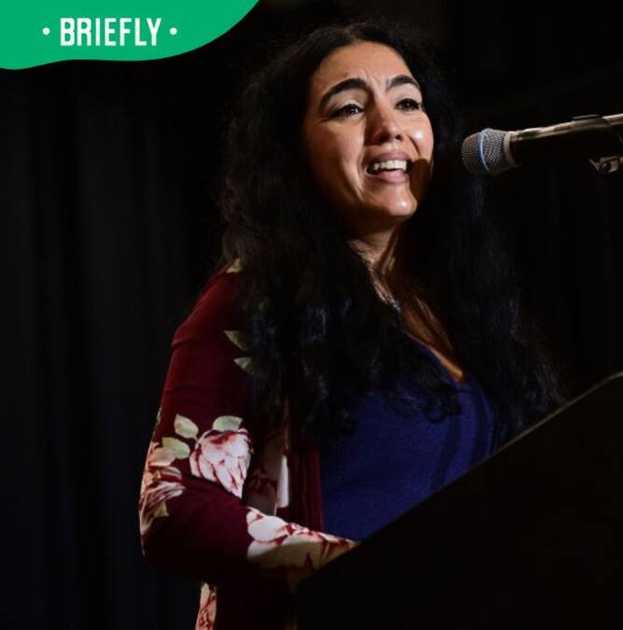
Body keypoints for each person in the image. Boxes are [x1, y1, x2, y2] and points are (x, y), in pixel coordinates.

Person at [137, 20, 561, 629]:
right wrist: (359, 565)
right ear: (295, 153)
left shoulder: (465, 306)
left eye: (408, 102)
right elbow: (171, 505)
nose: (389, 127)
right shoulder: (252, 297)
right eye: (349, 108)